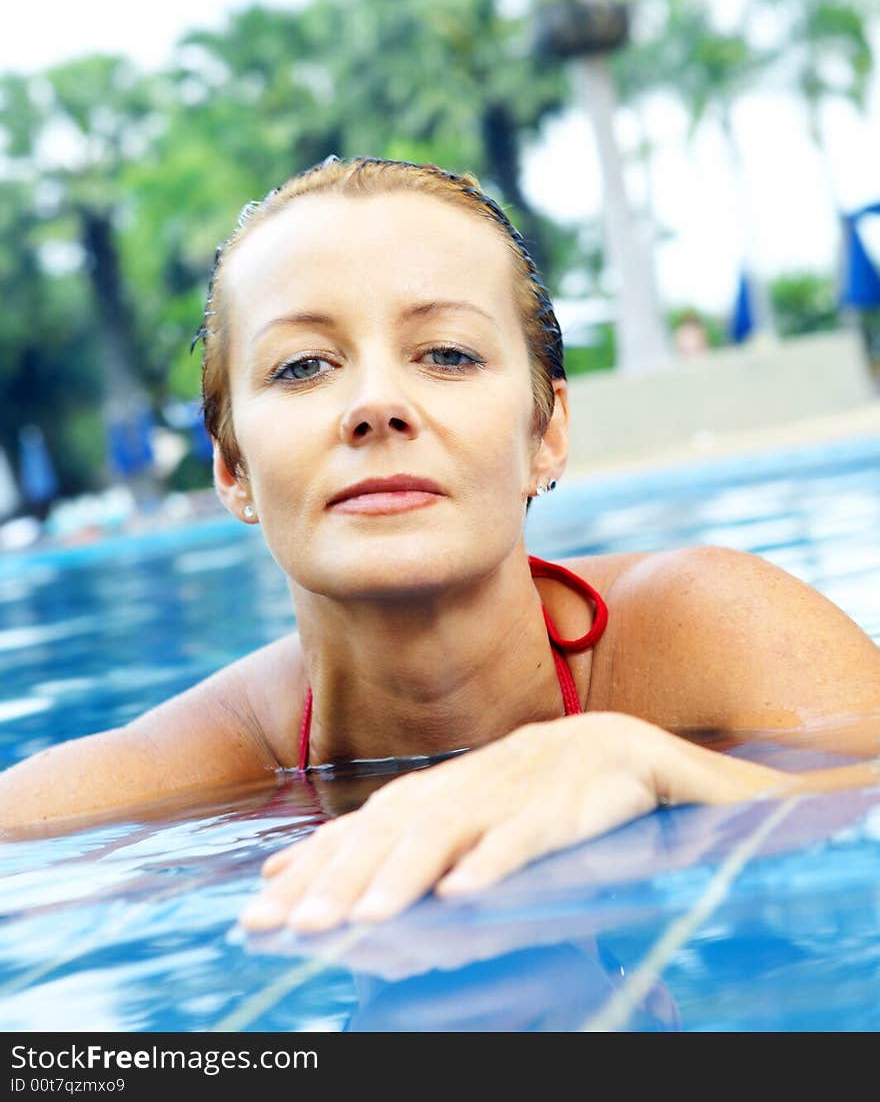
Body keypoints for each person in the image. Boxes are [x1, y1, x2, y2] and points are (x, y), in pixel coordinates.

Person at [2, 157, 880, 943]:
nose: (377, 405)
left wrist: (641, 761)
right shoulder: (184, 771)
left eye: (448, 353)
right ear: (231, 467)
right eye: (303, 366)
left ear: (548, 433)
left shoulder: (716, 628)